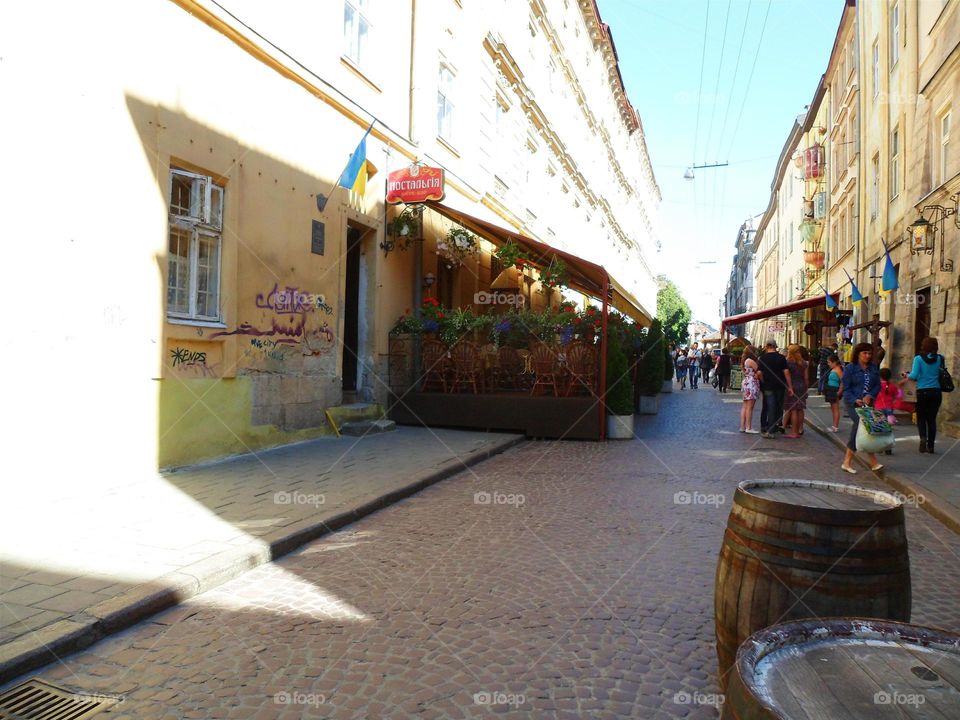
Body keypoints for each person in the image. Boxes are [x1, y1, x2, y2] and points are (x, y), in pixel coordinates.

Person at [840, 342, 883, 474]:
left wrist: (870, 395)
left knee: (862, 428)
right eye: (864, 353)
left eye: (870, 353)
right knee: (860, 424)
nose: (867, 356)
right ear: (858, 354)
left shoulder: (873, 368)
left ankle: (847, 462)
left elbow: (877, 385)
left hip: (867, 403)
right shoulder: (850, 368)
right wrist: (855, 399)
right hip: (852, 403)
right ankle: (872, 461)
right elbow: (846, 389)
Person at [908, 336, 946, 453]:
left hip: (922, 391)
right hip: (936, 392)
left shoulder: (918, 359)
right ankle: (931, 446)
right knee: (931, 419)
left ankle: (923, 438)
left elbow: (914, 376)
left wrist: (906, 375)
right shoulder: (940, 358)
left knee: (921, 418)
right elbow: (941, 373)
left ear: (924, 346)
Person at [758, 340, 793, 439]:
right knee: (778, 406)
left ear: (766, 346)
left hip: (768, 386)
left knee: (770, 406)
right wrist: (790, 386)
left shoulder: (762, 358)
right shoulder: (781, 358)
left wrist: (763, 381)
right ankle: (774, 426)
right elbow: (786, 373)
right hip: (780, 386)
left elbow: (759, 373)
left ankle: (769, 429)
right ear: (775, 346)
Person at [782, 344, 809, 438]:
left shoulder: (788, 362)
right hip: (801, 386)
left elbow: (787, 376)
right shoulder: (804, 363)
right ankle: (800, 428)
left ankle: (794, 432)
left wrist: (789, 387)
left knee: (793, 409)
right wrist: (806, 387)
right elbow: (806, 377)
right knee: (800, 408)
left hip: (792, 386)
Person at [875, 367, 902, 456]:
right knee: (888, 429)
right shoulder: (892, 386)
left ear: (880, 376)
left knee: (879, 429)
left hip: (878, 409)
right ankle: (888, 448)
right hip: (889, 409)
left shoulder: (877, 385)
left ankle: (879, 447)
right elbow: (898, 396)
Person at [739, 345, 761, 434]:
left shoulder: (745, 360)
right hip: (752, 383)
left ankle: (742, 426)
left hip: (746, 382)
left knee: (745, 406)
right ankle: (749, 427)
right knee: (750, 407)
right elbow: (759, 370)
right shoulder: (751, 361)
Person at [823, 354, 843, 432]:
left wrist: (840, 391)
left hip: (834, 390)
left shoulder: (838, 369)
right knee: (833, 408)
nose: (828, 364)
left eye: (829, 362)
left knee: (835, 408)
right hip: (830, 389)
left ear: (834, 362)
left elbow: (843, 381)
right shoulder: (834, 369)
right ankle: (834, 425)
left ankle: (835, 427)